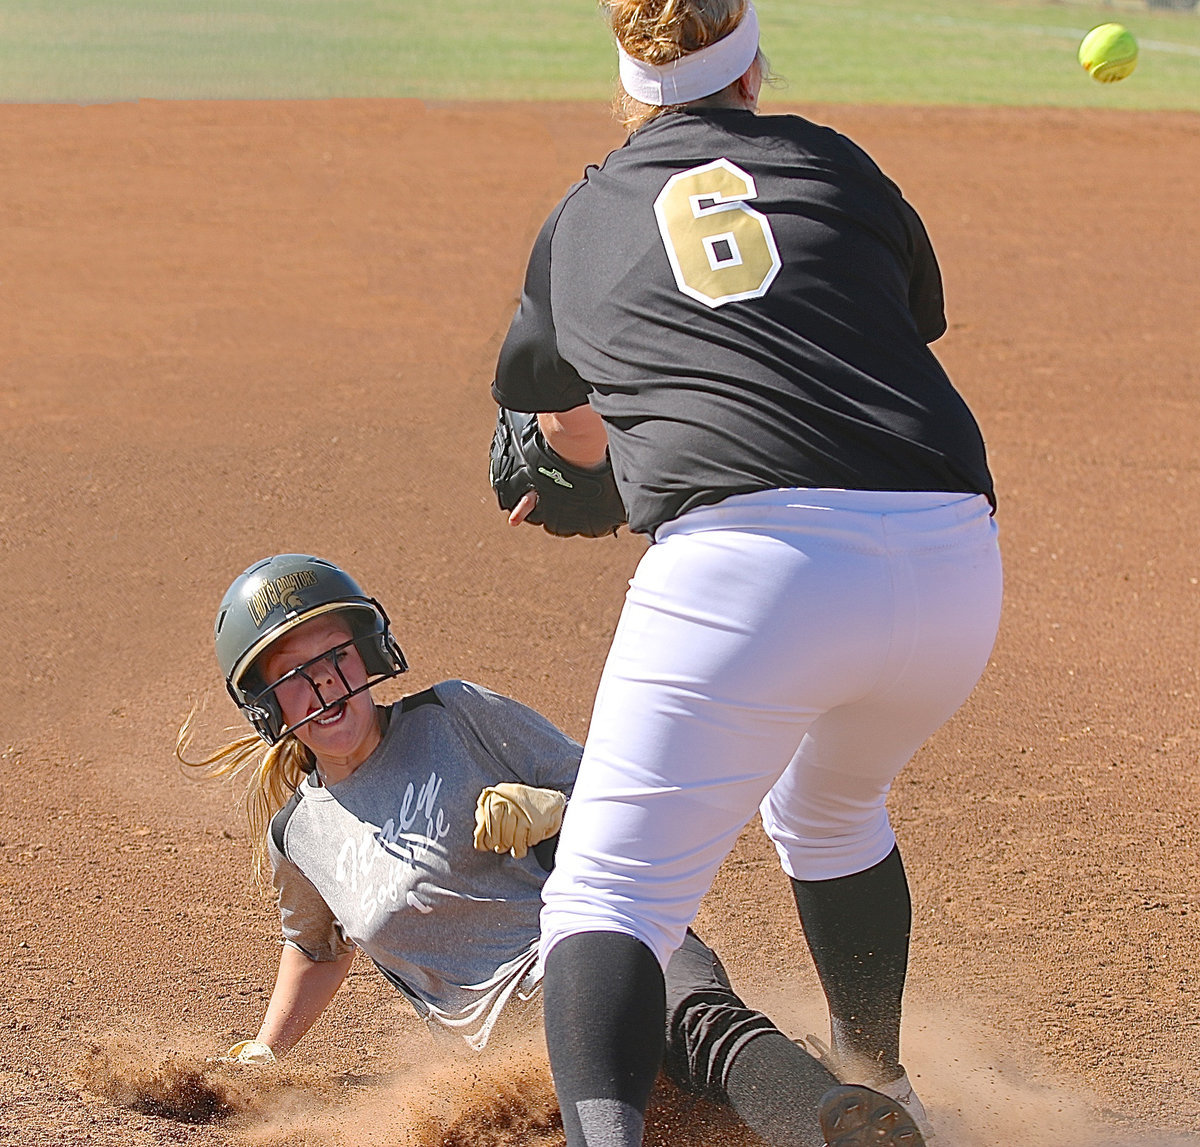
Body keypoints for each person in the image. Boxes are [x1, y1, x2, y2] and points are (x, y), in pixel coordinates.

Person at [489, 2, 1003, 1145]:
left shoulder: (582, 219)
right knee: (829, 805)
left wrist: (583, 464)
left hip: (754, 575)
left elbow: (564, 424)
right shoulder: (839, 165)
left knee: (605, 898)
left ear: (625, 81)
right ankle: (883, 1078)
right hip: (950, 565)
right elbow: (890, 321)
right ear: (753, 65)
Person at [181, 553, 920, 1147]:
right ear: (266, 704)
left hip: (600, 944)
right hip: (513, 1054)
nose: (323, 688)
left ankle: (844, 1126)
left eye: (334, 657)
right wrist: (266, 1047)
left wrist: (554, 808)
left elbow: (622, 789)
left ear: (366, 653)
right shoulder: (299, 833)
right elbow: (316, 947)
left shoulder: (455, 715)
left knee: (696, 1023)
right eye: (294, 677)